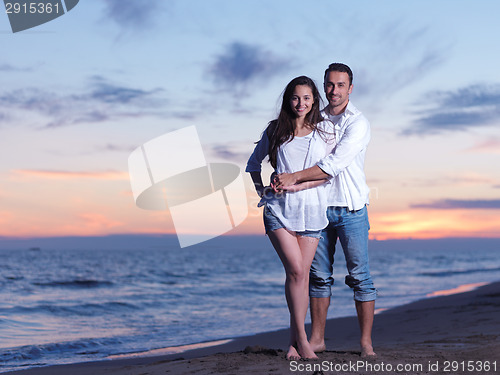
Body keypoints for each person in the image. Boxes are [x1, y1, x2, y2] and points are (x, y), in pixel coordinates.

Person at [274, 63, 377, 357]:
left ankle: (366, 343)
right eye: (329, 85)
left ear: (350, 88)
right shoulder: (314, 120)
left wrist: (293, 178)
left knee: (360, 276)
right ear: (324, 86)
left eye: (340, 85)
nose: (334, 91)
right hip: (316, 208)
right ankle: (317, 339)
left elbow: (333, 165)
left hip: (351, 208)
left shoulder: (358, 123)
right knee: (318, 276)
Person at [246, 76, 335, 360]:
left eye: (307, 98)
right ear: (288, 99)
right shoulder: (275, 130)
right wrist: (264, 192)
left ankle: (294, 344)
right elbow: (252, 165)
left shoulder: (325, 132)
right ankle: (303, 342)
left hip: (311, 211)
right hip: (278, 211)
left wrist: (297, 185)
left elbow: (328, 174)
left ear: (314, 100)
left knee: (299, 277)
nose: (301, 103)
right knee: (297, 271)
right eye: (296, 98)